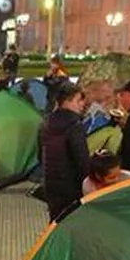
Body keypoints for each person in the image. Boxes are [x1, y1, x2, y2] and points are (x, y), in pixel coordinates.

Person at [39, 82, 90, 222]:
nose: (82, 104)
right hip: (71, 186)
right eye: (78, 100)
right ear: (67, 101)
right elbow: (81, 160)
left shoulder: (47, 123)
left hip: (50, 183)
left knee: (55, 221)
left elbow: (40, 154)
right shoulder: (74, 126)